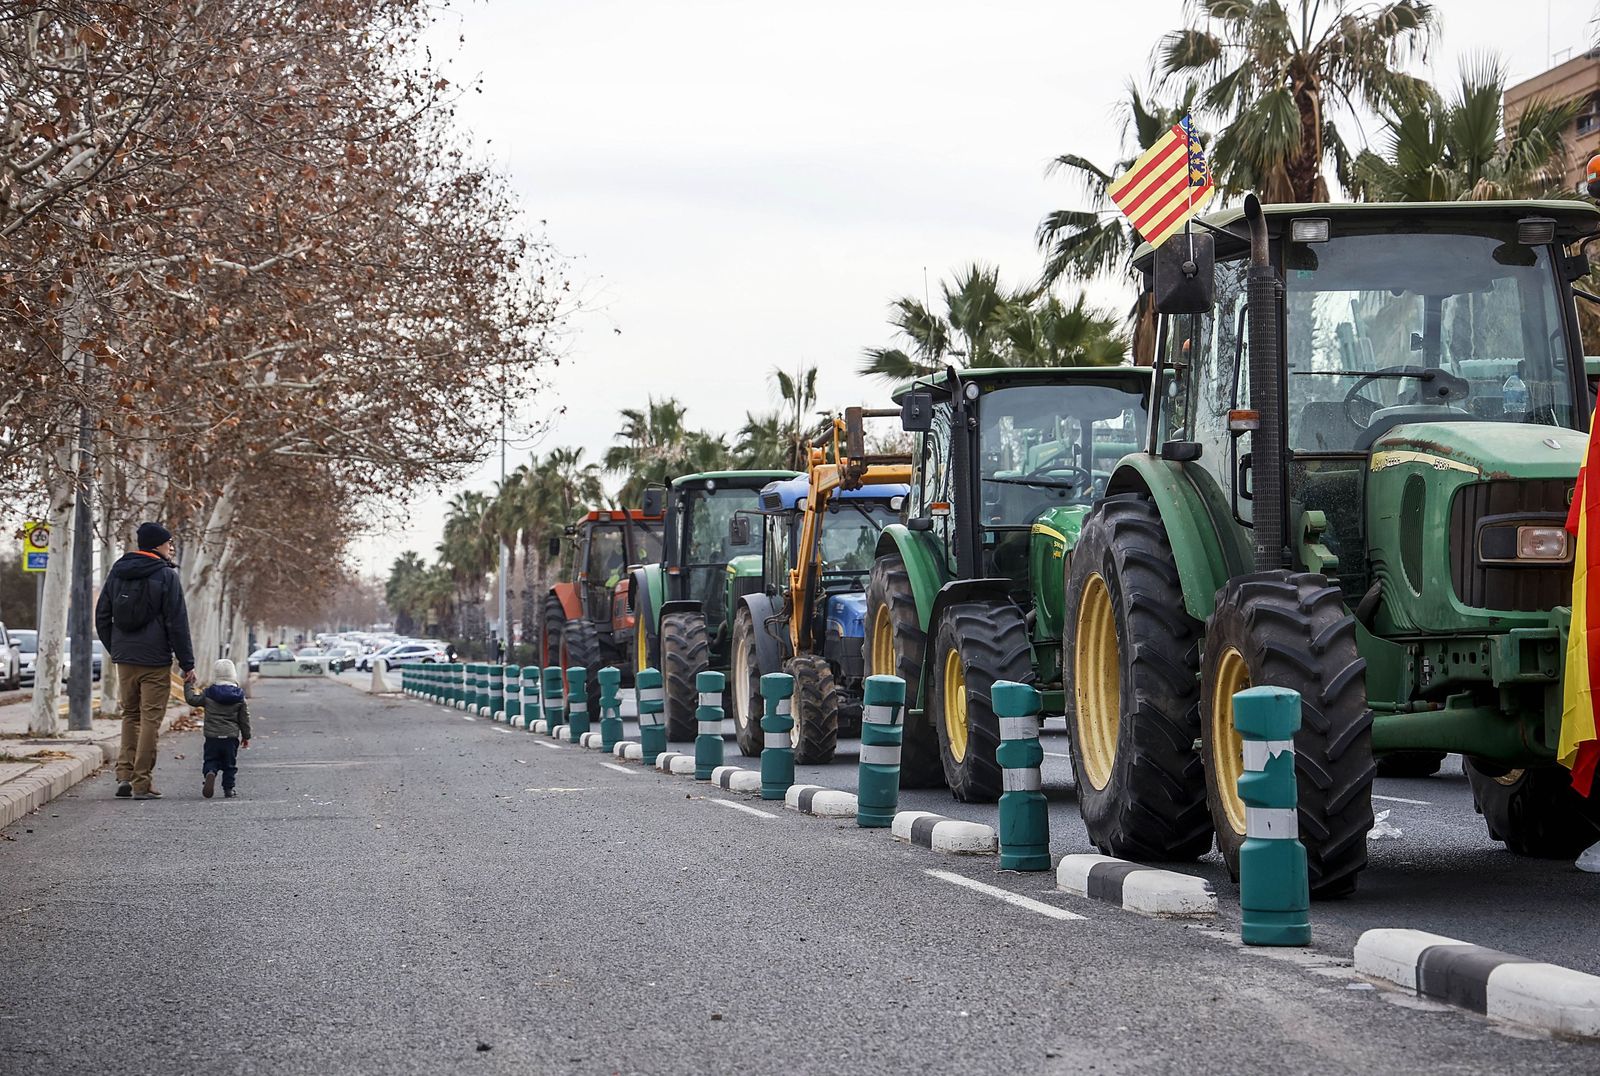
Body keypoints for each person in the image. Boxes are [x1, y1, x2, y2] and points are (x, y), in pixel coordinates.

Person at [95, 522, 196, 800]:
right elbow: (177, 623)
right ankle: (142, 782)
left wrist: (116, 648)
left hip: (125, 659)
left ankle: (123, 776)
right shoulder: (166, 576)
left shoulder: (118, 572)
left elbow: (102, 615)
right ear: (157, 545)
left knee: (130, 715)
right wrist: (187, 663)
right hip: (155, 660)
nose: (171, 547)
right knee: (151, 719)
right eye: (169, 542)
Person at [185, 658, 251, 799]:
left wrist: (188, 684)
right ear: (233, 674)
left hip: (212, 737)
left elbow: (192, 700)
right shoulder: (239, 696)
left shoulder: (209, 694)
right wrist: (246, 736)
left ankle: (210, 772)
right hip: (231, 737)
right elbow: (244, 719)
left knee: (210, 759)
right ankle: (229, 789)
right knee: (229, 765)